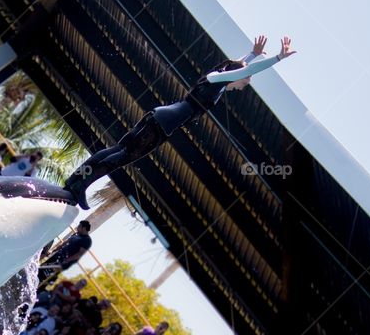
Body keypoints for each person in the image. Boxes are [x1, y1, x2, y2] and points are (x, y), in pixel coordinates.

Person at [63, 36, 296, 209]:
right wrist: (278, 58)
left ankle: (75, 180)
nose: (244, 85)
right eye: (246, 81)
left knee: (118, 149)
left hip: (161, 115)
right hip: (166, 123)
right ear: (239, 76)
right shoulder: (219, 80)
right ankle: (82, 185)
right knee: (123, 157)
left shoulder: (216, 78)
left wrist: (252, 54)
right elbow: (240, 69)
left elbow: (237, 65)